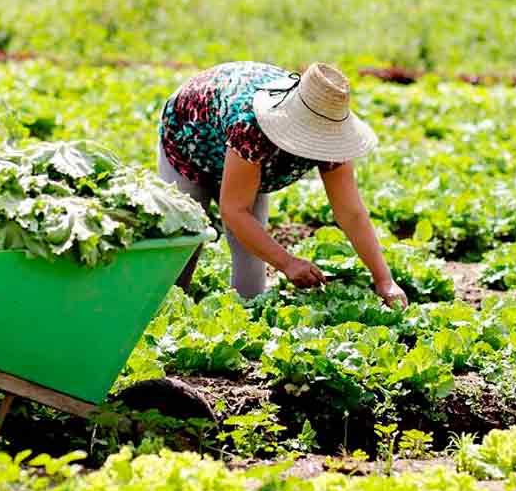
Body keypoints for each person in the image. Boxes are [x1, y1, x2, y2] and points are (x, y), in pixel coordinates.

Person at [158, 61, 407, 307]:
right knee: (183, 244)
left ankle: (244, 319)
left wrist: (384, 279)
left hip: (242, 152)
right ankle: (163, 313)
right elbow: (233, 210)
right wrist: (288, 263)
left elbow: (351, 213)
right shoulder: (252, 126)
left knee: (252, 275)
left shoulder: (332, 136)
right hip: (190, 136)